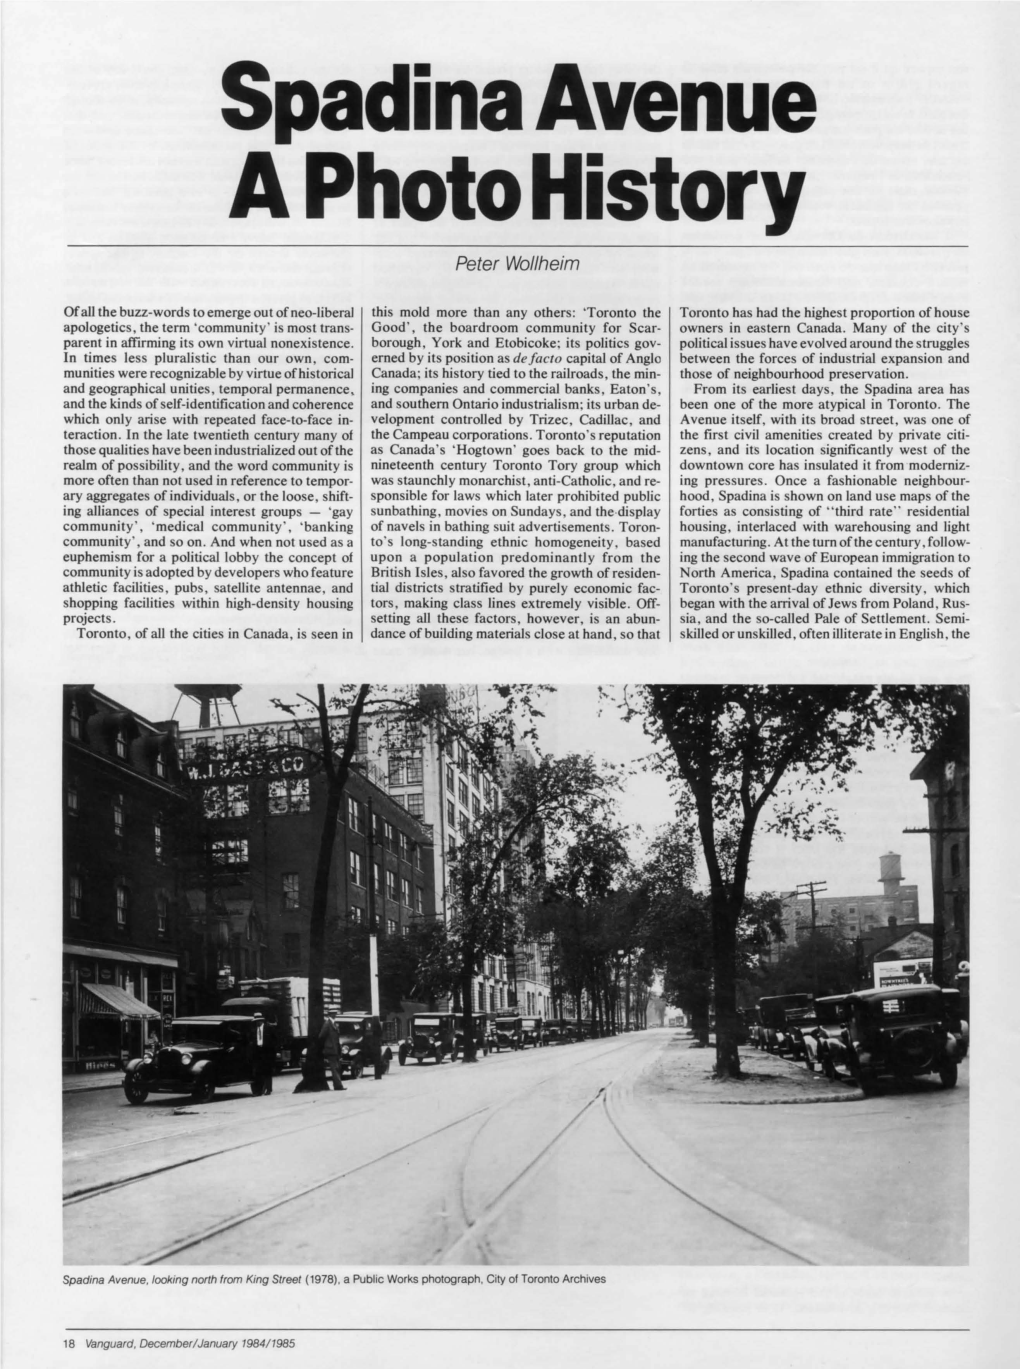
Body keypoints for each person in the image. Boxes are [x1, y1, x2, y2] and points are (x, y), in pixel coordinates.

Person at [318, 1011, 345, 1091]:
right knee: (334, 1068)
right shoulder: (327, 1024)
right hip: (331, 1049)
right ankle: (338, 1086)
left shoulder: (333, 1023)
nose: (335, 1015)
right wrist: (327, 1044)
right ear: (330, 1015)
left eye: (335, 1013)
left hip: (335, 1049)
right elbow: (321, 1036)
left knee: (336, 1067)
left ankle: (337, 1085)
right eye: (334, 1013)